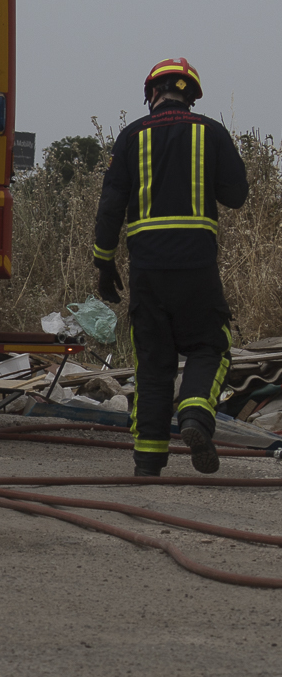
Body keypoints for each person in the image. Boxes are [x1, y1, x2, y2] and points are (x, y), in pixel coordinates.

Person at [92, 58, 248, 476]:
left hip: (147, 272)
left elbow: (109, 208)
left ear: (151, 94)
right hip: (197, 268)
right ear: (192, 97)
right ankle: (195, 416)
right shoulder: (211, 132)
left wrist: (103, 263)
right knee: (209, 347)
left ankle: (147, 464)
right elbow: (236, 195)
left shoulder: (130, 137)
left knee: (153, 362)